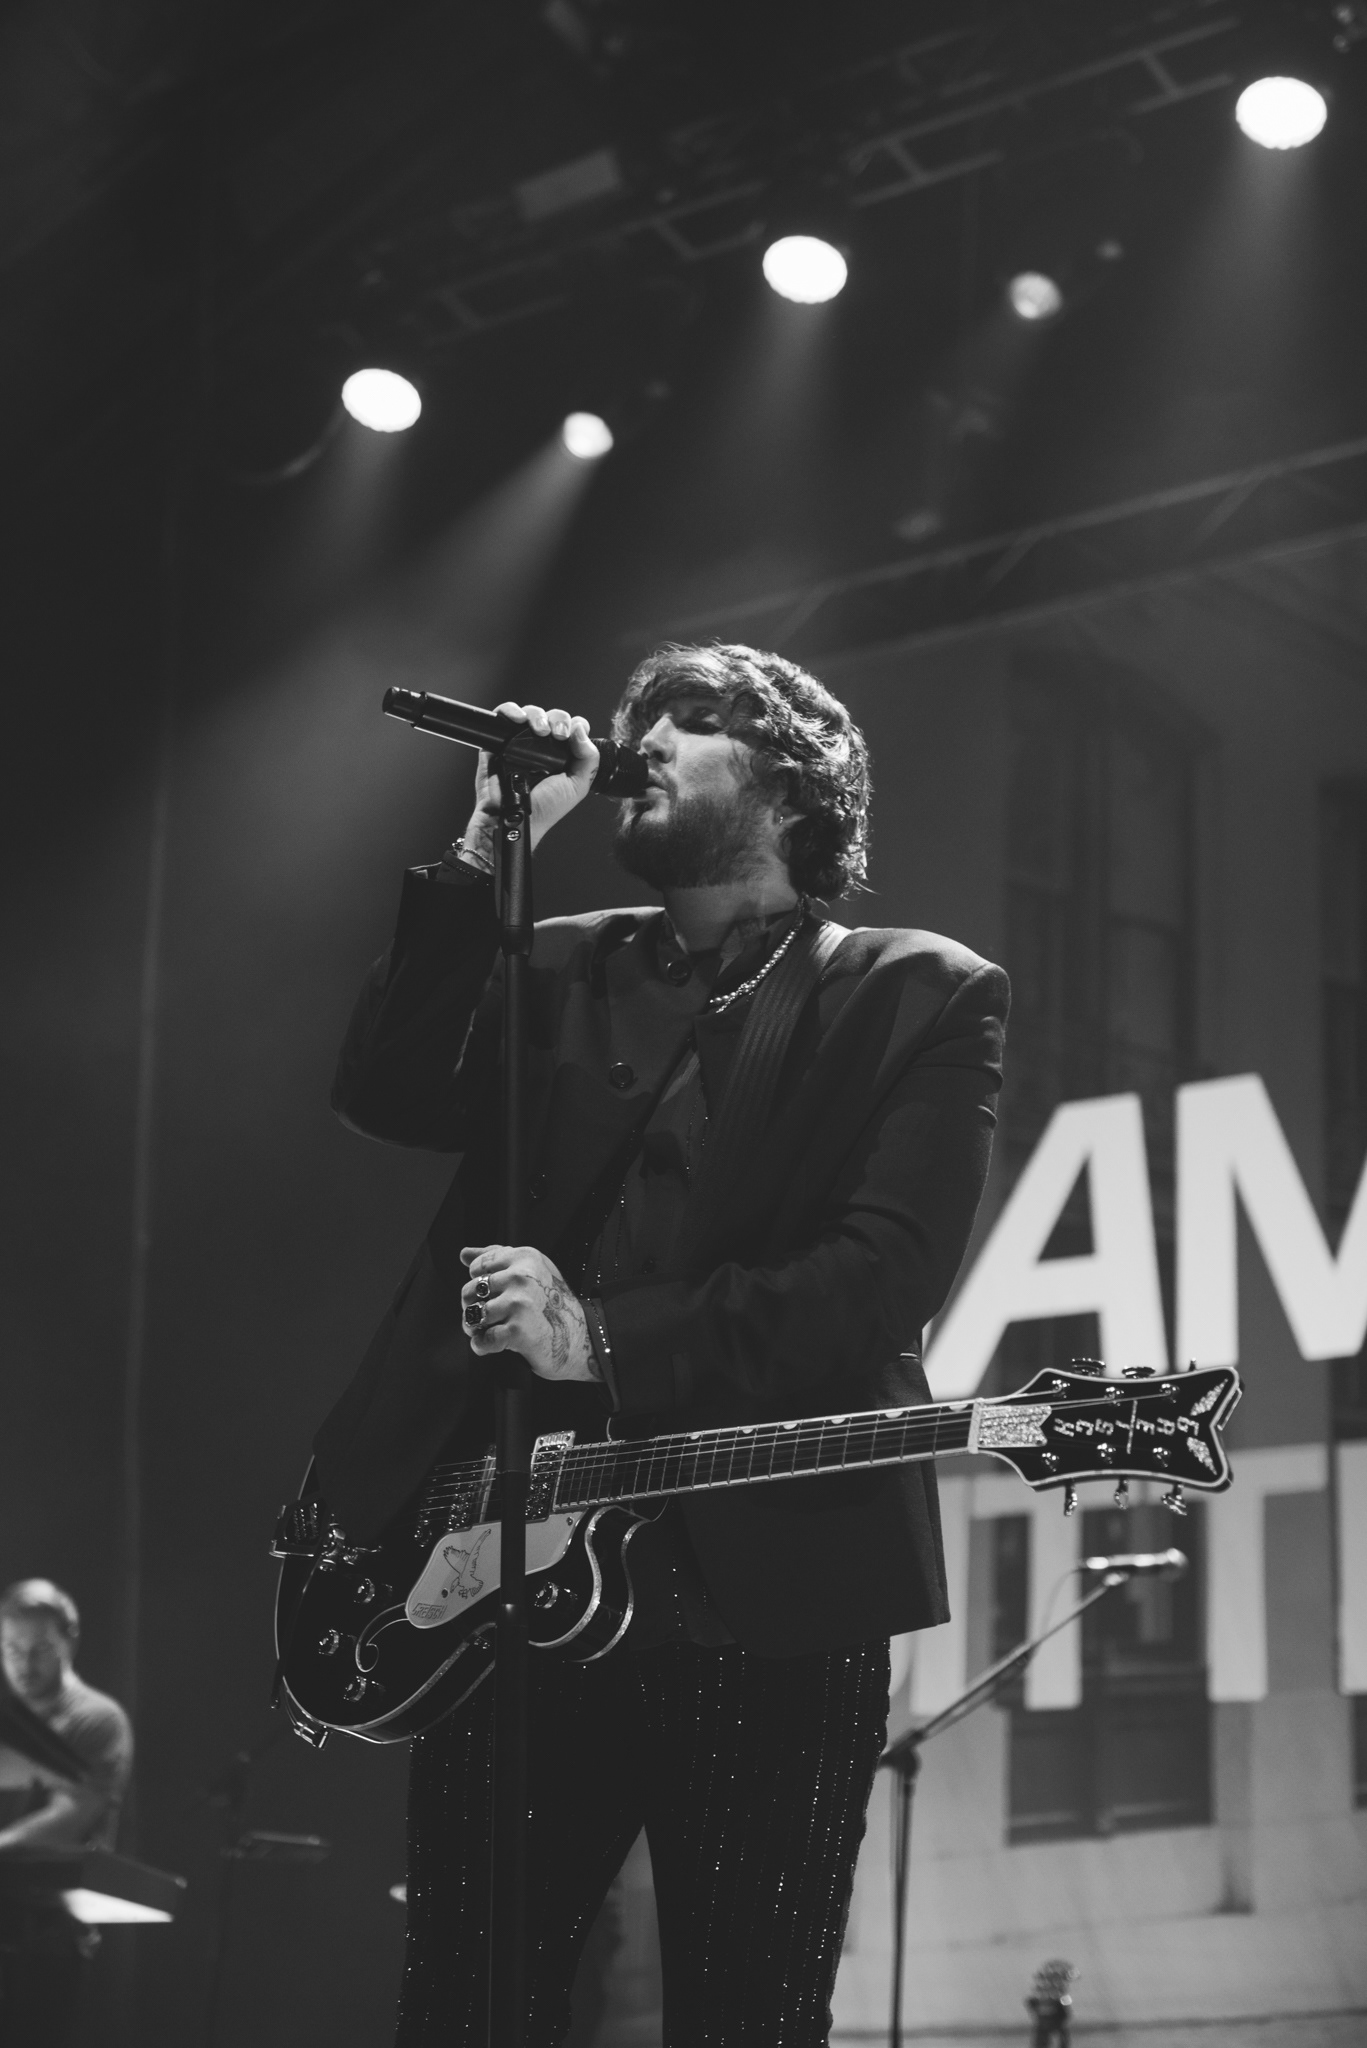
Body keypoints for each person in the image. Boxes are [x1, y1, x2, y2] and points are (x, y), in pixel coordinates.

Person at [314, 642, 1009, 2045]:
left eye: (690, 721)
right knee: (463, 2003)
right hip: (512, 1572)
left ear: (793, 784)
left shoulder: (914, 991)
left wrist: (597, 1338)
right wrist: (491, 838)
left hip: (773, 1591)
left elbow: (877, 1282)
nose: (641, 741)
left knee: (748, 2012)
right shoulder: (555, 961)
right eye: (639, 718)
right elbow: (385, 1090)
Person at [0, 1579, 134, 2045]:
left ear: (70, 1642)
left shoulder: (96, 1719)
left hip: (48, 1939)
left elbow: (70, 1818)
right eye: (11, 1649)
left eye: (39, 1649)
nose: (24, 1663)